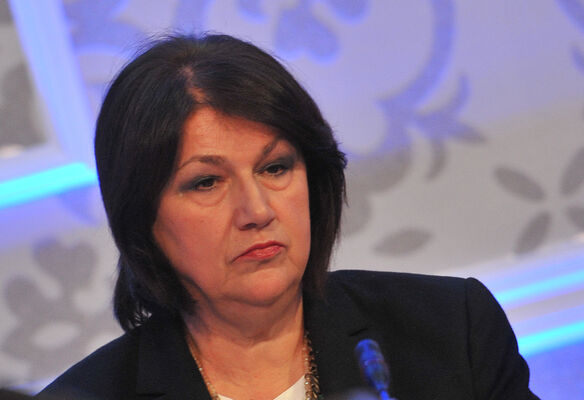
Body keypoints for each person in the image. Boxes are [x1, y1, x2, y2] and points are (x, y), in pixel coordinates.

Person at [37, 33, 539, 400]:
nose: (256, 211)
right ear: (142, 217)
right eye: (206, 182)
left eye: (275, 168)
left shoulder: (452, 331)